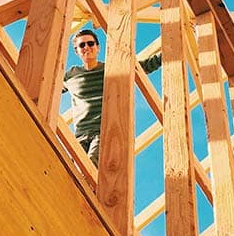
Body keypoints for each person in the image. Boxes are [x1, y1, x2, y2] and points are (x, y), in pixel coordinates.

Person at [63, 29, 161, 165]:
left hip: (103, 130)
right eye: (82, 45)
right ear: (77, 51)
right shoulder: (71, 75)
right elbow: (50, 85)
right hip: (80, 133)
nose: (86, 47)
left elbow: (144, 67)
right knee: (69, 168)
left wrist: (169, 50)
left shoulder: (111, 68)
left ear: (98, 48)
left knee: (91, 165)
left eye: (90, 44)